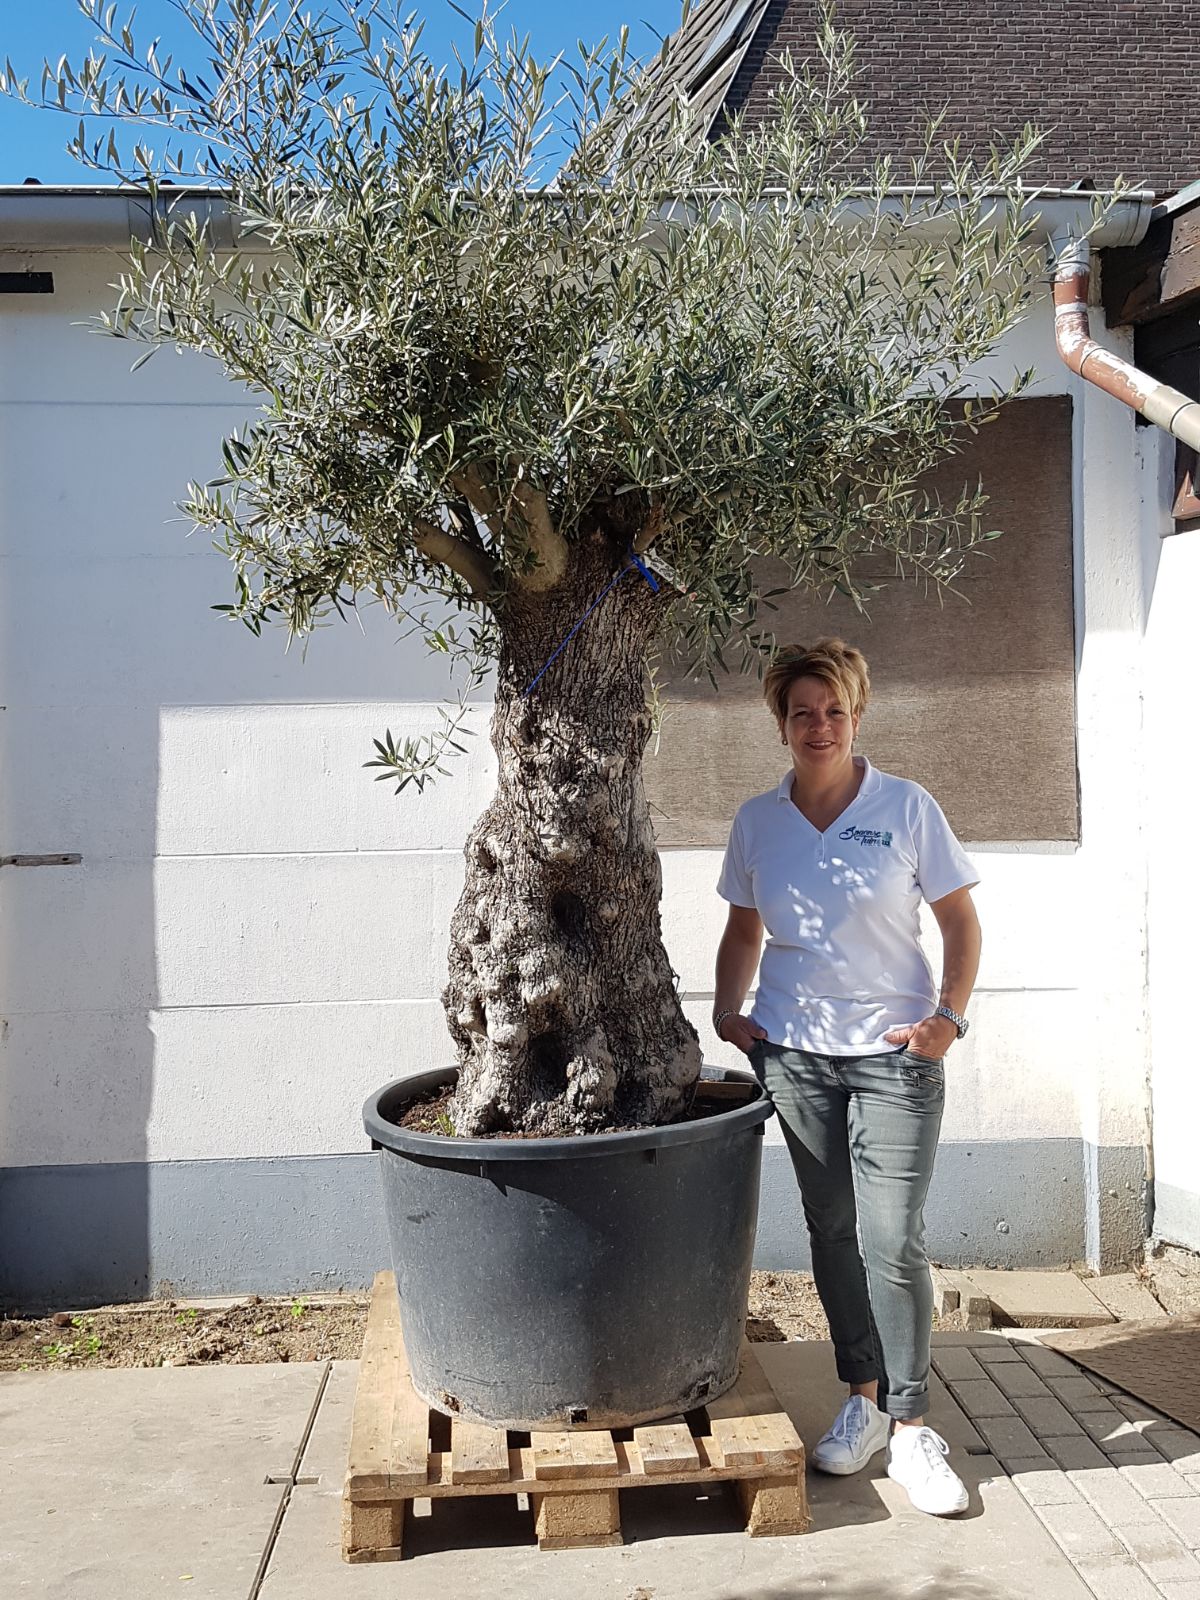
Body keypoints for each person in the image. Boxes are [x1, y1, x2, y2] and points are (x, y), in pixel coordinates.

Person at [713, 638, 982, 1517]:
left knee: (891, 1238)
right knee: (831, 1232)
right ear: (781, 724)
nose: (818, 726)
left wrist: (948, 1018)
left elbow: (959, 923)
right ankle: (861, 1400)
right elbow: (744, 930)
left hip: (896, 1055)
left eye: (833, 711)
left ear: (856, 716)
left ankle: (911, 1429)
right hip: (795, 1055)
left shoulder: (905, 808)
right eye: (801, 713)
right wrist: (727, 1008)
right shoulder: (758, 821)